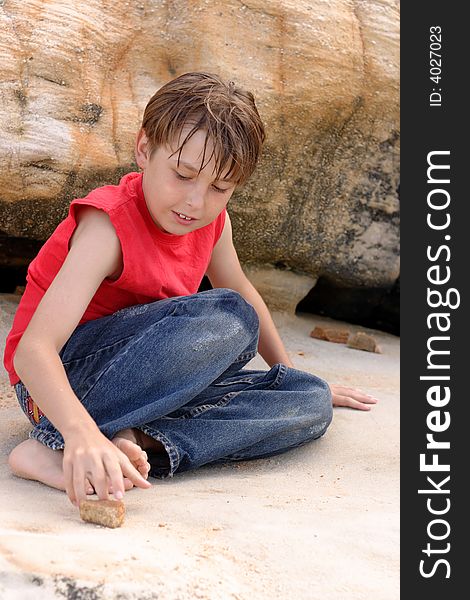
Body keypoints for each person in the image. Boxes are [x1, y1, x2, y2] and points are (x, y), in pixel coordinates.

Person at [3, 72, 377, 508]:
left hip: (148, 382)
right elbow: (33, 351)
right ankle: (62, 443)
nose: (195, 202)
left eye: (219, 187)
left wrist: (288, 374)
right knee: (231, 318)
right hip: (56, 386)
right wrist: (77, 430)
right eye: (183, 174)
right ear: (144, 150)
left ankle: (137, 441)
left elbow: (241, 286)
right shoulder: (108, 228)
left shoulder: (211, 223)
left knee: (306, 400)